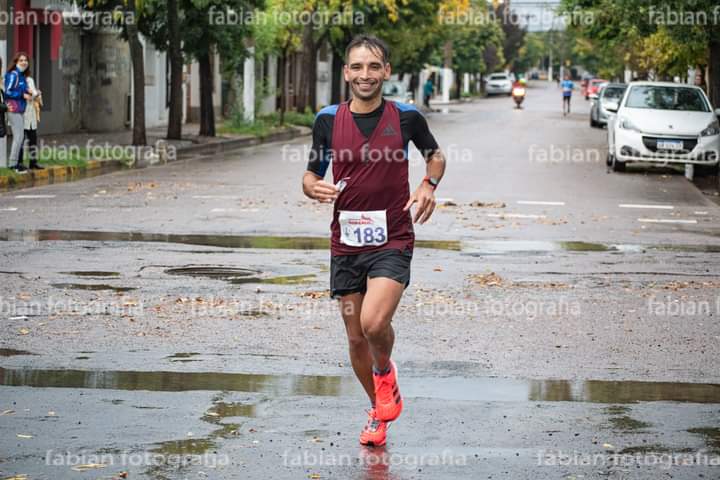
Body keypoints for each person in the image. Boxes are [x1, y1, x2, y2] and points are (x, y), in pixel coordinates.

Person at [302, 35, 446, 447]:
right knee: (353, 336)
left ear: (386, 72)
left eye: (374, 66)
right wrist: (311, 186)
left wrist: (428, 184)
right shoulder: (327, 119)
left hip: (392, 237)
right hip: (346, 242)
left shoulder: (405, 118)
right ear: (347, 73)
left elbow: (435, 155)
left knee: (373, 323)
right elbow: (312, 172)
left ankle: (385, 372)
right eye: (357, 67)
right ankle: (379, 409)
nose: (366, 74)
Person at [4, 52, 32, 173]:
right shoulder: (13, 75)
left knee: (20, 137)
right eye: (21, 60)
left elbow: (23, 90)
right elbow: (7, 92)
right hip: (13, 109)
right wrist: (22, 94)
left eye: (25, 60)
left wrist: (30, 92)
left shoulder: (22, 76)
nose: (24, 62)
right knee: (18, 137)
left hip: (20, 109)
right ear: (16, 62)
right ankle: (12, 164)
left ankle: (16, 163)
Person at [21, 69, 44, 170]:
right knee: (20, 140)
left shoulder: (30, 80)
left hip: (31, 113)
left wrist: (37, 93)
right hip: (21, 113)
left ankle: (33, 162)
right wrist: (32, 94)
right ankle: (19, 163)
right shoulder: (16, 80)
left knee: (33, 139)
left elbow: (34, 94)